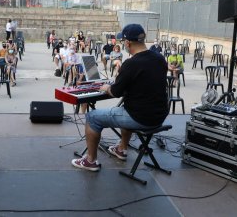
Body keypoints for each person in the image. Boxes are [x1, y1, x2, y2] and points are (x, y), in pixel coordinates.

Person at [71, 24, 168, 171]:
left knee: (92, 117)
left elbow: (116, 92)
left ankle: (90, 161)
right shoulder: (160, 59)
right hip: (159, 116)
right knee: (125, 107)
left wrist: (106, 87)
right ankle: (121, 149)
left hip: (140, 118)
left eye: (123, 43)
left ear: (128, 43)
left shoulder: (131, 63)